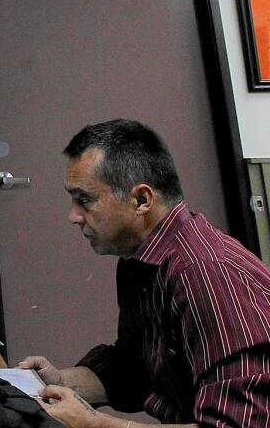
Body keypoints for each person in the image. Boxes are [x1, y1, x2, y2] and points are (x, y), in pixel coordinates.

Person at [19, 119, 270, 427]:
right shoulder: (140, 261)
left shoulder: (207, 275)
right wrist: (61, 381)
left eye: (84, 200)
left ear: (141, 200)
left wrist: (93, 423)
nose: (74, 216)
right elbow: (137, 368)